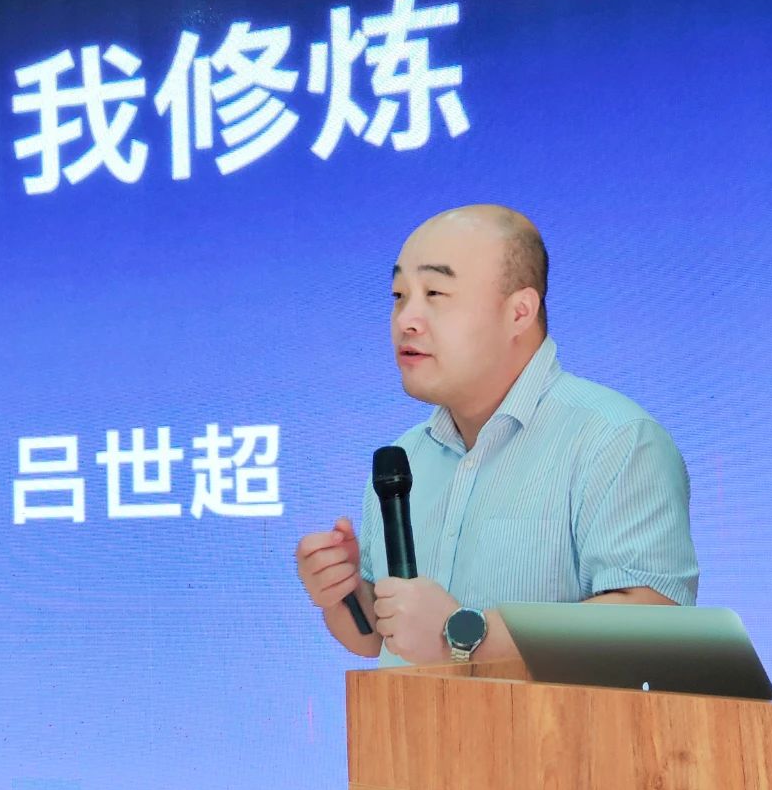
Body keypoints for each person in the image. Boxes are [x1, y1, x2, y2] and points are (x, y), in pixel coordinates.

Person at [296, 204, 698, 665]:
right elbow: (384, 641)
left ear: (519, 312)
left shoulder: (615, 439)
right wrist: (345, 594)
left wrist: (462, 633)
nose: (407, 319)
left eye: (435, 293)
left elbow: (652, 625)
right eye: (399, 295)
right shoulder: (404, 458)